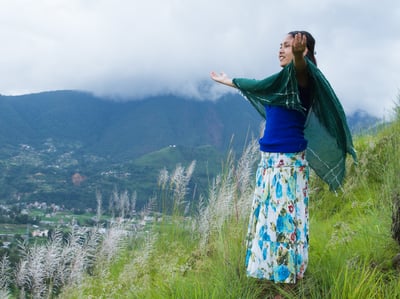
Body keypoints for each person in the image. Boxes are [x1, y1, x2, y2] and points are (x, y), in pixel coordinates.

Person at [210, 31, 357, 286]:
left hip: (286, 165)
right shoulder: (279, 86)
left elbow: (300, 69)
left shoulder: (303, 79)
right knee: (269, 225)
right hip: (269, 163)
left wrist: (300, 57)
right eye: (281, 45)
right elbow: (258, 86)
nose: (281, 50)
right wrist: (231, 81)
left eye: (288, 46)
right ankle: (272, 277)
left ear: (304, 51)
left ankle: (284, 285)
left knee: (283, 227)